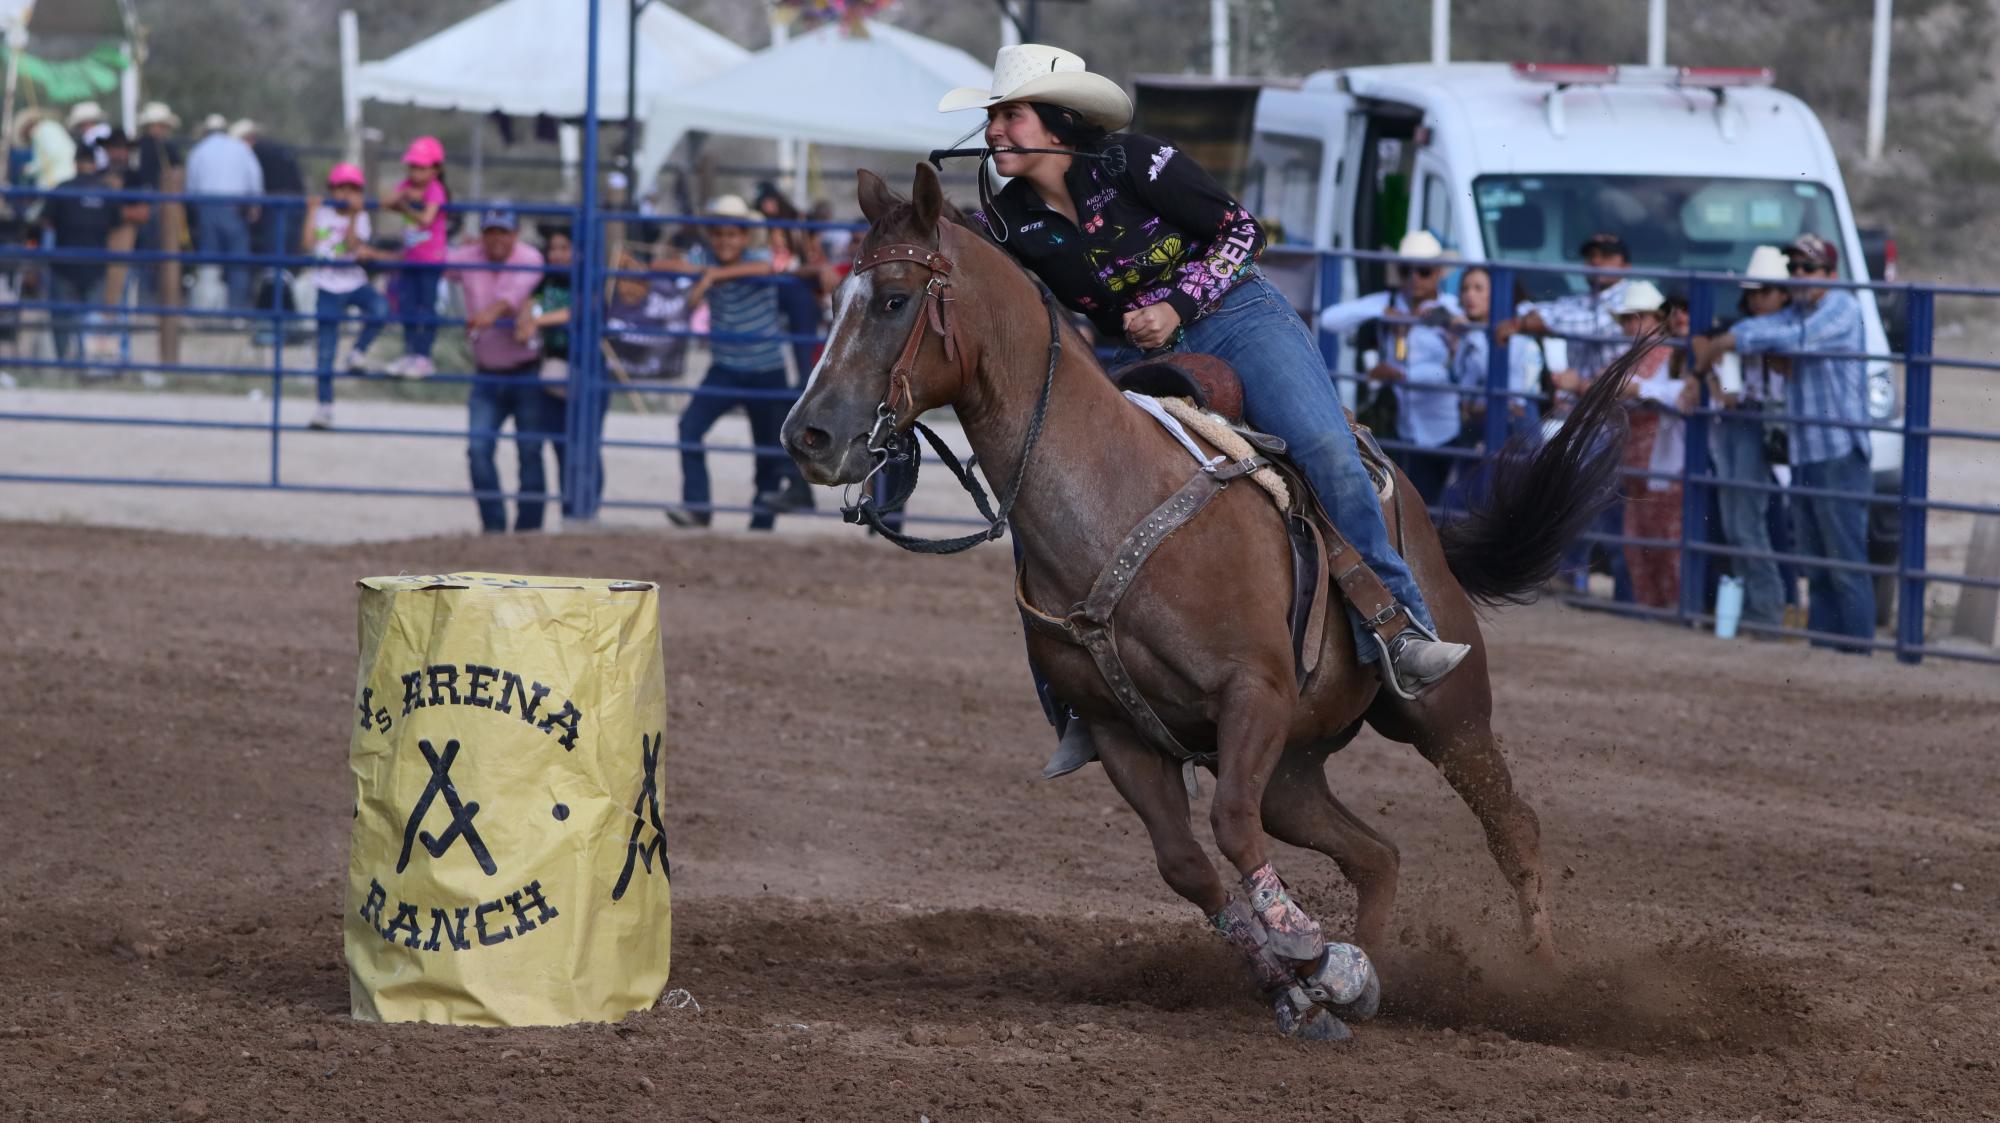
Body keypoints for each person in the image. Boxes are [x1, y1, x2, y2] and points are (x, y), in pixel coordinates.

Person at [938, 43, 1469, 706]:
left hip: (1238, 317)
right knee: (1045, 500)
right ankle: (1074, 693)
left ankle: (1399, 629)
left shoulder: (1135, 161)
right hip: (1139, 359)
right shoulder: (1008, 219)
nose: (993, 130)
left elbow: (1241, 230)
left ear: (1058, 121)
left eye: (1009, 114)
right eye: (992, 116)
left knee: (1325, 448)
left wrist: (1174, 304)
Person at [1693, 233, 1875, 652]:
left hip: (1836, 449)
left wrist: (1725, 340)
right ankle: (1831, 651)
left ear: (1831, 274)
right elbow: (1768, 329)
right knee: (1820, 565)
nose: (1800, 276)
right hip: (1810, 451)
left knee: (1843, 564)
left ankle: (1857, 654)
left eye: (1808, 269)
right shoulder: (1799, 311)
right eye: (1794, 269)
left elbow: (1794, 338)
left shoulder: (1841, 309)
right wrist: (1729, 336)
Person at [663, 194, 815, 530]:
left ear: (745, 237)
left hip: (766, 370)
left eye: (732, 235)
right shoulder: (705, 257)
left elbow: (765, 267)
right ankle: (697, 507)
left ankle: (761, 523)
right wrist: (706, 271)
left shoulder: (757, 255)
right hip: (725, 369)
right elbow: (664, 264)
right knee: (689, 428)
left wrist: (714, 276)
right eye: (718, 235)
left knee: (767, 450)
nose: (725, 241)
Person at [1512, 231, 1634, 598]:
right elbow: (1542, 314)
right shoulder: (1586, 301)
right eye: (1592, 254)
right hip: (1600, 420)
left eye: (1607, 255)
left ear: (1624, 264)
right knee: (1597, 497)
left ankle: (1588, 577)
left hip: (1625, 418)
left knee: (1601, 497)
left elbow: (1581, 324)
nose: (1598, 261)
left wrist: (1534, 321)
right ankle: (1583, 576)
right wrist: (1531, 318)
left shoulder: (1628, 302)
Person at [1319, 231, 1463, 505]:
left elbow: (1447, 371)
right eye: (1406, 270)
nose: (1414, 279)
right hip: (1404, 429)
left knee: (1435, 506)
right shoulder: (1386, 303)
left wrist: (1401, 374)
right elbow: (1329, 319)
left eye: (1422, 271)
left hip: (1444, 430)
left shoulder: (1449, 310)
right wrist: (1380, 313)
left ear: (1437, 274)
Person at [1702, 245, 1791, 632]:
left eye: (1764, 291)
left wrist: (1708, 366)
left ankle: (1765, 610)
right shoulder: (1759, 328)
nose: (1757, 299)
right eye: (1754, 292)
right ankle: (1758, 607)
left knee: (1746, 521)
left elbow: (1725, 343)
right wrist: (1712, 378)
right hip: (1744, 420)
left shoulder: (1774, 328)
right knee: (1738, 520)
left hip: (1757, 423)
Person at [445, 208, 551, 533]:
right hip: (487, 371)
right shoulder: (469, 255)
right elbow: (437, 262)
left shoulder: (529, 257)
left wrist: (488, 313)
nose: (497, 239)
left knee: (530, 450)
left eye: (503, 232)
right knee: (478, 449)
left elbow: (513, 295)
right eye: (491, 231)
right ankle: (494, 527)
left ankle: (528, 530)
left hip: (525, 370)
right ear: (483, 233)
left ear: (515, 233)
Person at [1598, 281, 1696, 610]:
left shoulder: (1661, 355)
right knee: (1642, 542)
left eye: (1639, 317)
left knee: (1663, 542)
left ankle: (1668, 608)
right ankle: (1656, 608)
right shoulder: (1650, 355)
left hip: (1661, 459)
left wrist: (1631, 389)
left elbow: (1655, 393)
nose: (1631, 325)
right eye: (1627, 318)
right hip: (1644, 459)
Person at [40, 142, 148, 367]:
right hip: (96, 263)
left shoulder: (62, 189)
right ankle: (86, 362)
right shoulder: (105, 191)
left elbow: (46, 221)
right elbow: (116, 222)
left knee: (62, 318)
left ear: (75, 163)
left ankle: (63, 362)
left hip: (65, 263)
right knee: (92, 317)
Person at [302, 163, 389, 430]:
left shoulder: (360, 217)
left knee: (381, 310)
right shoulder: (322, 212)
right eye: (341, 188)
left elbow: (353, 246)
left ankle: (357, 352)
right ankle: (324, 407)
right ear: (331, 189)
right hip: (327, 287)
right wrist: (312, 210)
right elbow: (307, 246)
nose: (345, 194)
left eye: (352, 189)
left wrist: (352, 215)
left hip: (354, 282)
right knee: (325, 350)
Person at [383, 136, 450, 378]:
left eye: (422, 167)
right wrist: (403, 199)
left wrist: (405, 206)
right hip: (411, 258)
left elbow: (426, 219)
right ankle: (410, 352)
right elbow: (386, 201)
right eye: (413, 167)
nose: (416, 172)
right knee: (407, 305)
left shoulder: (436, 190)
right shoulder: (407, 186)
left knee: (427, 307)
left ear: (435, 169)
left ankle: (424, 356)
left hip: (430, 259)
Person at [184, 113, 262, 311]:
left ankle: (207, 310)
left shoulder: (198, 150)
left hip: (207, 209)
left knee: (209, 263)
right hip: (235, 208)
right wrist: (255, 205)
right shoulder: (239, 148)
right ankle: (236, 310)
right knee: (238, 262)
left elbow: (191, 187)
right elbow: (254, 178)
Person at [231, 119, 305, 267]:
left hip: (275, 206)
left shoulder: (253, 153)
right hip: (295, 204)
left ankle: (274, 284)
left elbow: (252, 183)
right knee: (288, 251)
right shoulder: (277, 148)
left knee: (274, 253)